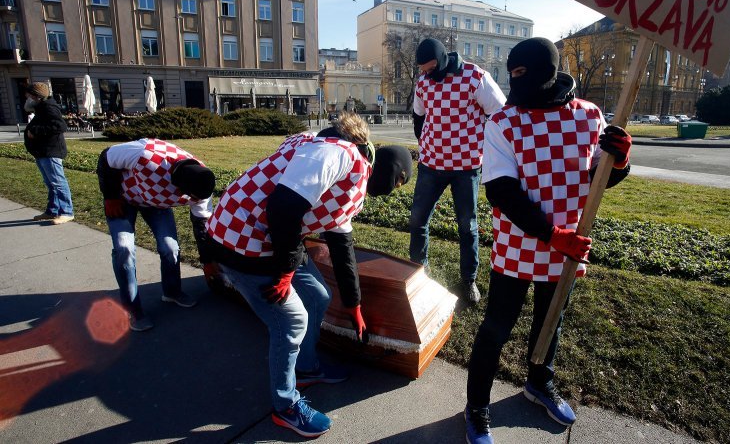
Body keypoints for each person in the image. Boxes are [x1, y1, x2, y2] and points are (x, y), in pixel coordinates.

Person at [203, 113, 413, 439]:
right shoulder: (339, 154)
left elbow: (341, 245)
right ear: (392, 173)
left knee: (318, 295)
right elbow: (283, 206)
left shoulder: (352, 170)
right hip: (241, 241)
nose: (393, 190)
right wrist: (285, 272)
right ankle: (285, 406)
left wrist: (354, 304)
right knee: (291, 322)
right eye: (399, 183)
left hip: (272, 237)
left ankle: (307, 367)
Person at [463, 38, 632, 443]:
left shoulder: (588, 116)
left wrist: (620, 160)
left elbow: (597, 180)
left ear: (548, 72)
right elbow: (502, 191)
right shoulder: (503, 122)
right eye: (512, 74)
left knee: (548, 323)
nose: (516, 82)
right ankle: (476, 407)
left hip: (568, 248)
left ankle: (539, 382)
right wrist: (553, 235)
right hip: (518, 247)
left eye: (524, 73)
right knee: (496, 329)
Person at [410, 37, 506, 305]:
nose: (425, 74)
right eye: (422, 70)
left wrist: (484, 145)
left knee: (468, 226)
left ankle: (468, 280)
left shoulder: (475, 77)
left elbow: (499, 113)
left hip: (466, 167)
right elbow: (419, 116)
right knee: (418, 221)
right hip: (431, 165)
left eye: (429, 69)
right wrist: (426, 142)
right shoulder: (423, 83)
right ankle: (418, 274)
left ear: (441, 61)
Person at [97, 138, 216, 332]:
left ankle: (172, 292)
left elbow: (202, 226)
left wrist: (208, 260)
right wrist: (111, 196)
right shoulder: (145, 153)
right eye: (192, 197)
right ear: (178, 187)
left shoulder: (201, 183)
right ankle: (132, 309)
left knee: (170, 248)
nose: (195, 201)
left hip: (155, 204)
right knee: (124, 249)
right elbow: (106, 157)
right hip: (122, 199)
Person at [24, 82, 75, 225]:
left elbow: (60, 125)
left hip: (51, 151)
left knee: (58, 183)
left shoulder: (48, 107)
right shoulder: (41, 108)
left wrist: (35, 131)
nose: (27, 98)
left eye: (29, 95)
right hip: (43, 151)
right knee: (51, 183)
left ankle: (66, 211)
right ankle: (52, 210)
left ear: (36, 96)